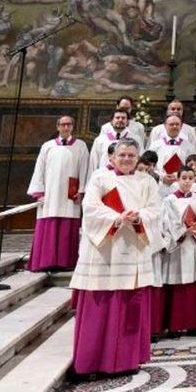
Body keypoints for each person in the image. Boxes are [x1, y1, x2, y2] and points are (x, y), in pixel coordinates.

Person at [72, 139, 161, 376]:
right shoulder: (100, 178)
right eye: (122, 155)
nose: (127, 159)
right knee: (101, 302)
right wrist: (118, 218)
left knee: (129, 304)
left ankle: (127, 360)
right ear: (112, 157)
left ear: (138, 158)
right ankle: (92, 361)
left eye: (132, 155)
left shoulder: (147, 181)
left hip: (133, 248)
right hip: (105, 251)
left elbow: (155, 210)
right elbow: (90, 208)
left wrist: (138, 217)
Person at [27, 115, 87, 272]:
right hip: (50, 194)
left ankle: (65, 262)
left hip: (70, 194)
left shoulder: (80, 146)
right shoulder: (47, 146)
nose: (66, 127)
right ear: (58, 127)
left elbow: (84, 169)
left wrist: (81, 191)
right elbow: (39, 169)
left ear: (73, 127)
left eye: (69, 124)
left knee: (68, 227)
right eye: (63, 124)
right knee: (48, 225)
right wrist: (38, 191)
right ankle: (44, 261)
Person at [158, 165, 196, 335]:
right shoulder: (169, 200)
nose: (187, 181)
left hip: (192, 245)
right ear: (177, 179)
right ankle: (174, 326)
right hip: (177, 248)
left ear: (194, 180)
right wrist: (182, 232)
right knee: (176, 285)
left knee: (193, 285)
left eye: (190, 178)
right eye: (184, 178)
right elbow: (167, 222)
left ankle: (194, 324)